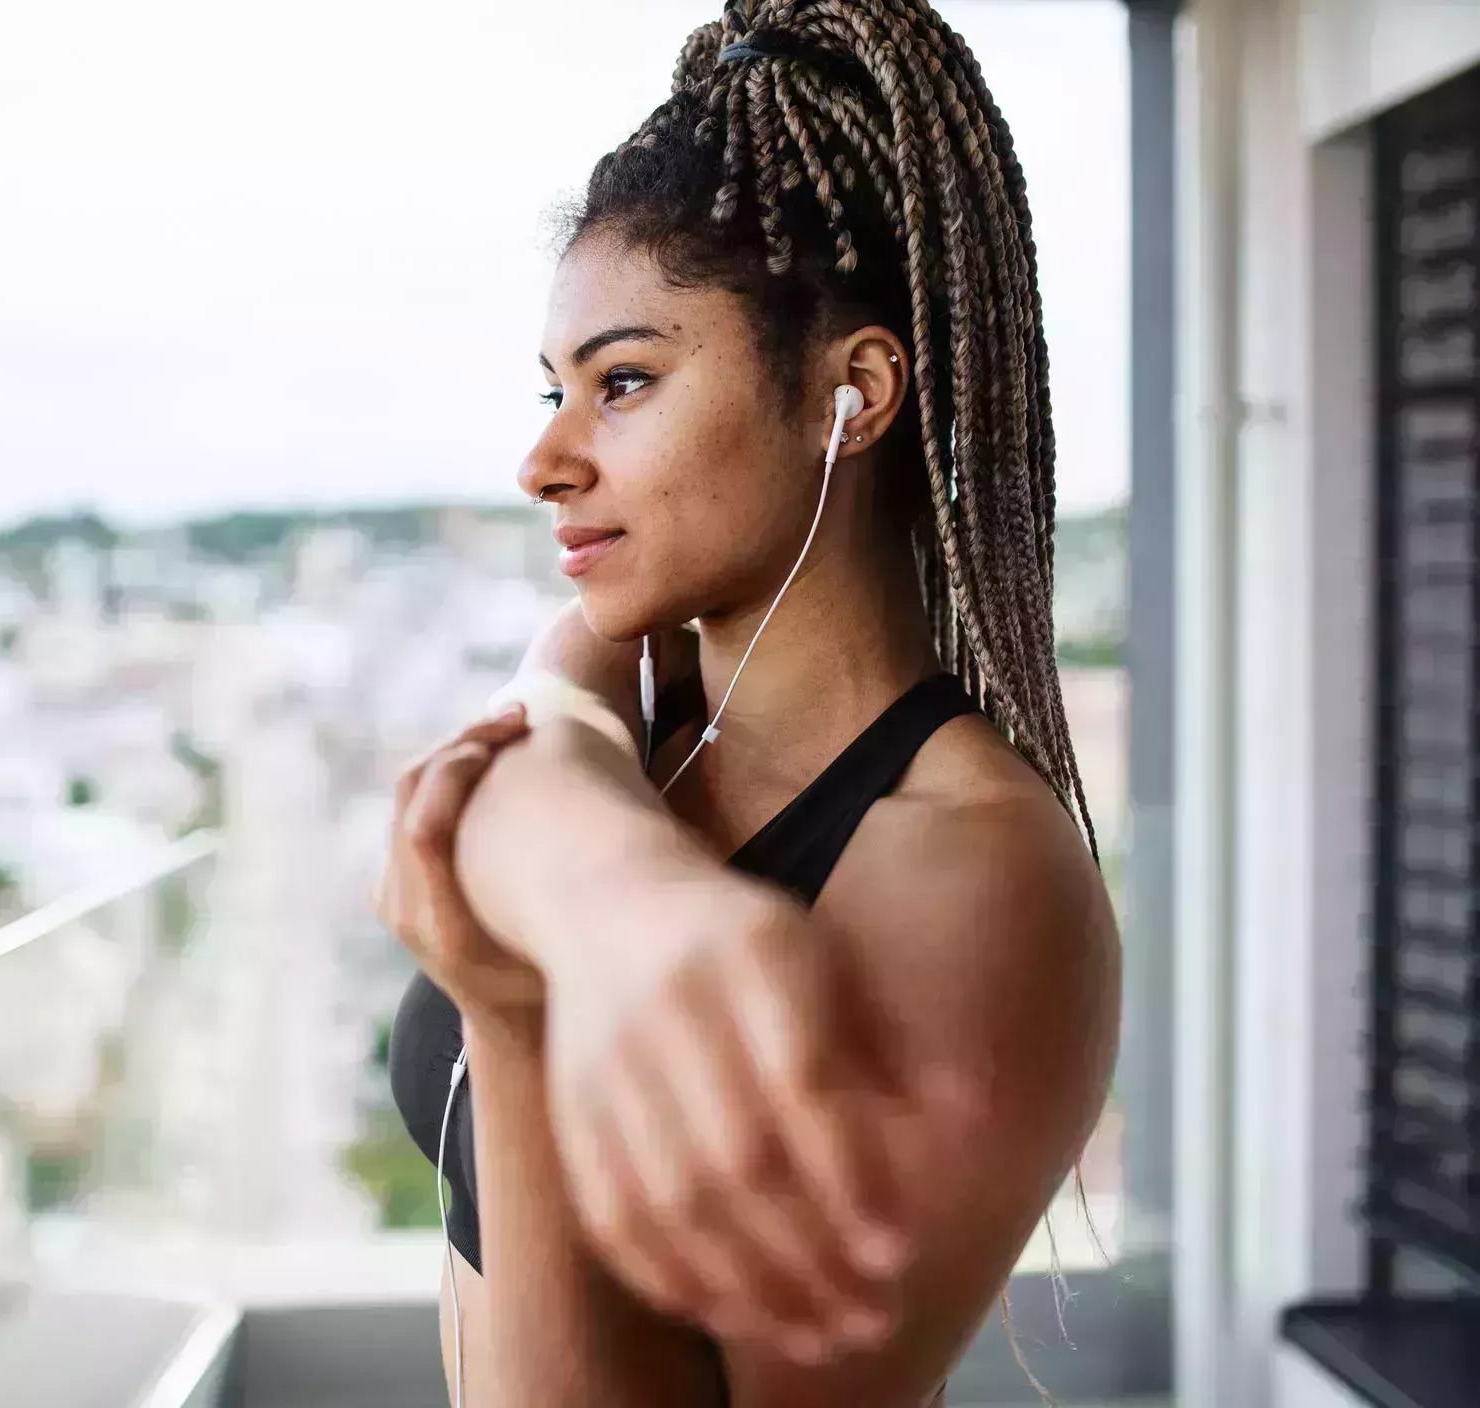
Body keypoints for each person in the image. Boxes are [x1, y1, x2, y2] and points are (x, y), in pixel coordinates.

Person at [374, 3, 1122, 1406]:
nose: (542, 458)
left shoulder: (973, 872)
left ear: (852, 393)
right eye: (553, 390)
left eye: (625, 383)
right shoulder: (634, 698)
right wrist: (609, 891)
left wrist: (521, 1007)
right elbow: (553, 717)